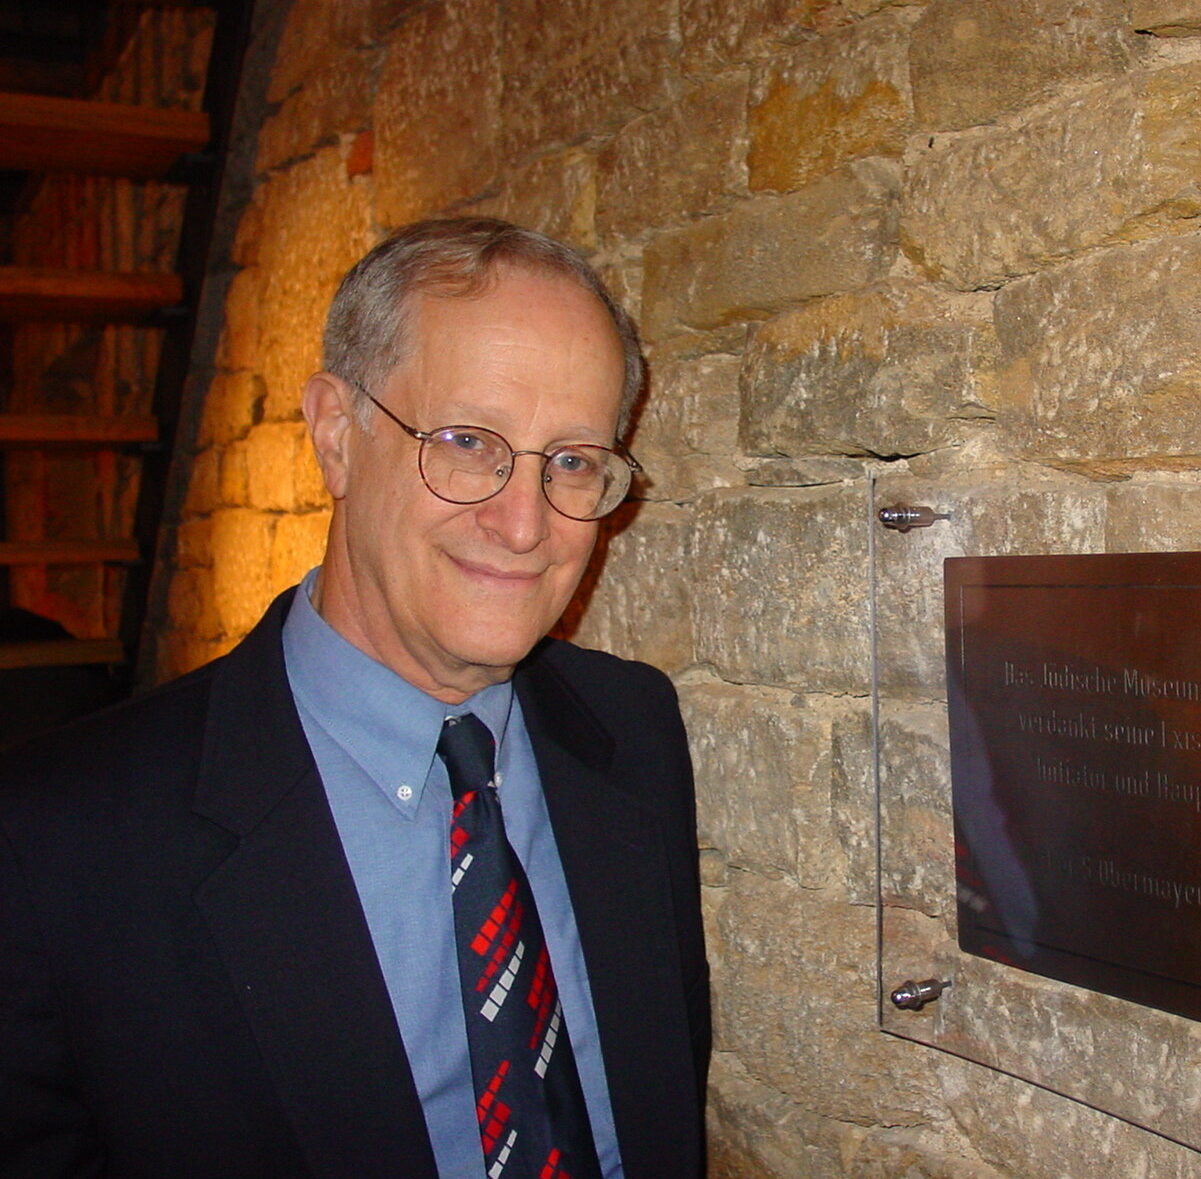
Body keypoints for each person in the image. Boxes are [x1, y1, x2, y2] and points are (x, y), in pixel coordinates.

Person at [0, 218, 710, 1179]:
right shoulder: (56, 843)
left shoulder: (631, 729)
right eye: (467, 442)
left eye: (573, 461)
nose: (523, 522)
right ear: (336, 435)